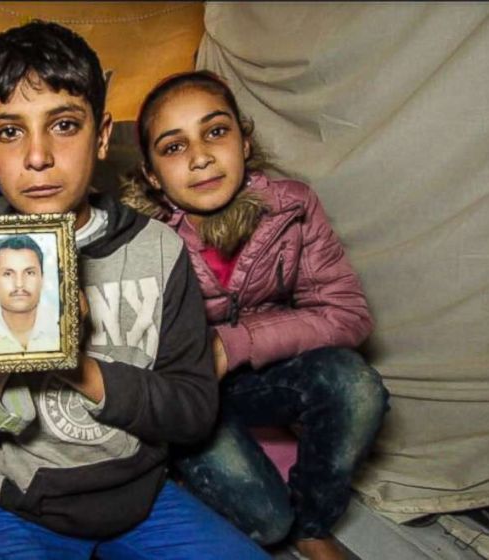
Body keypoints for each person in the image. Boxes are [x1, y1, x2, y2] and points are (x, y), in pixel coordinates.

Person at [0, 21, 268, 559]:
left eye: (64, 125)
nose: (38, 156)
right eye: (10, 131)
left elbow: (194, 412)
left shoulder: (159, 251)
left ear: (104, 135)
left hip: (141, 498)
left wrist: (77, 364)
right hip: (20, 506)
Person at [133, 70, 390, 560]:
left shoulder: (291, 208)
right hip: (191, 398)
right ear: (151, 174)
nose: (201, 156)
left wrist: (235, 343)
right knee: (269, 523)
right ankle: (190, 475)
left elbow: (347, 314)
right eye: (173, 147)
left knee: (354, 385)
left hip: (262, 375)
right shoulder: (143, 239)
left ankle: (313, 525)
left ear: (244, 141)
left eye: (215, 132)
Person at [0, 234, 60, 354]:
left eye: (29, 273)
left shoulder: (62, 328)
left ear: (42, 278)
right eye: (8, 274)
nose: (19, 284)